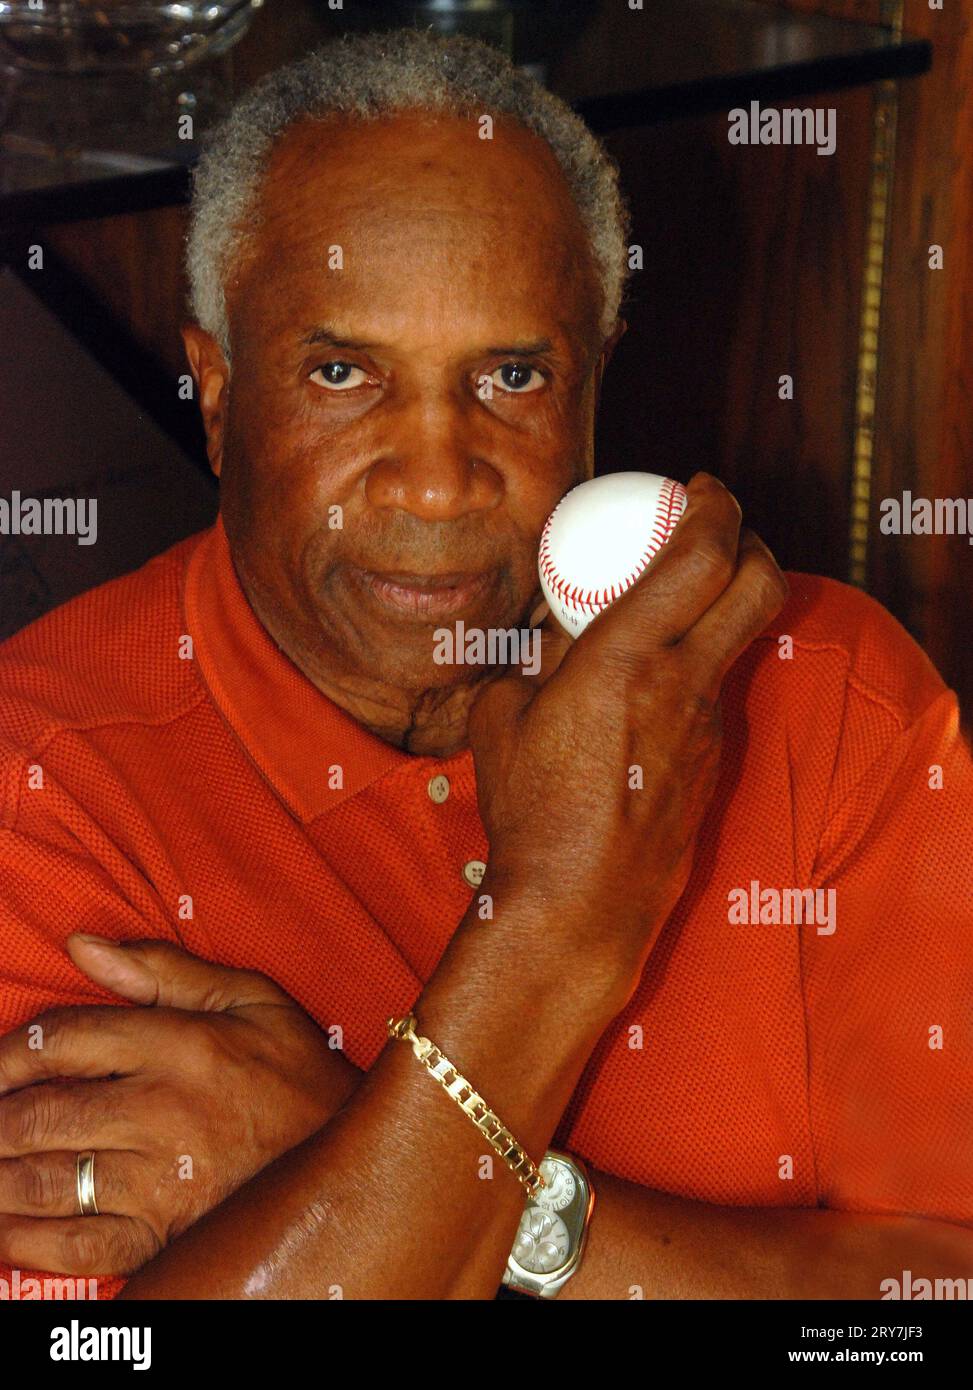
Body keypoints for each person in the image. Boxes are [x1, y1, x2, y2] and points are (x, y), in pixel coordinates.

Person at [0, 30, 970, 1301]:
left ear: (592, 388)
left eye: (510, 375)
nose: (440, 480)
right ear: (221, 395)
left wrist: (362, 1155)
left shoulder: (827, 697)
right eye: (343, 374)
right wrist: (558, 923)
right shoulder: (40, 782)